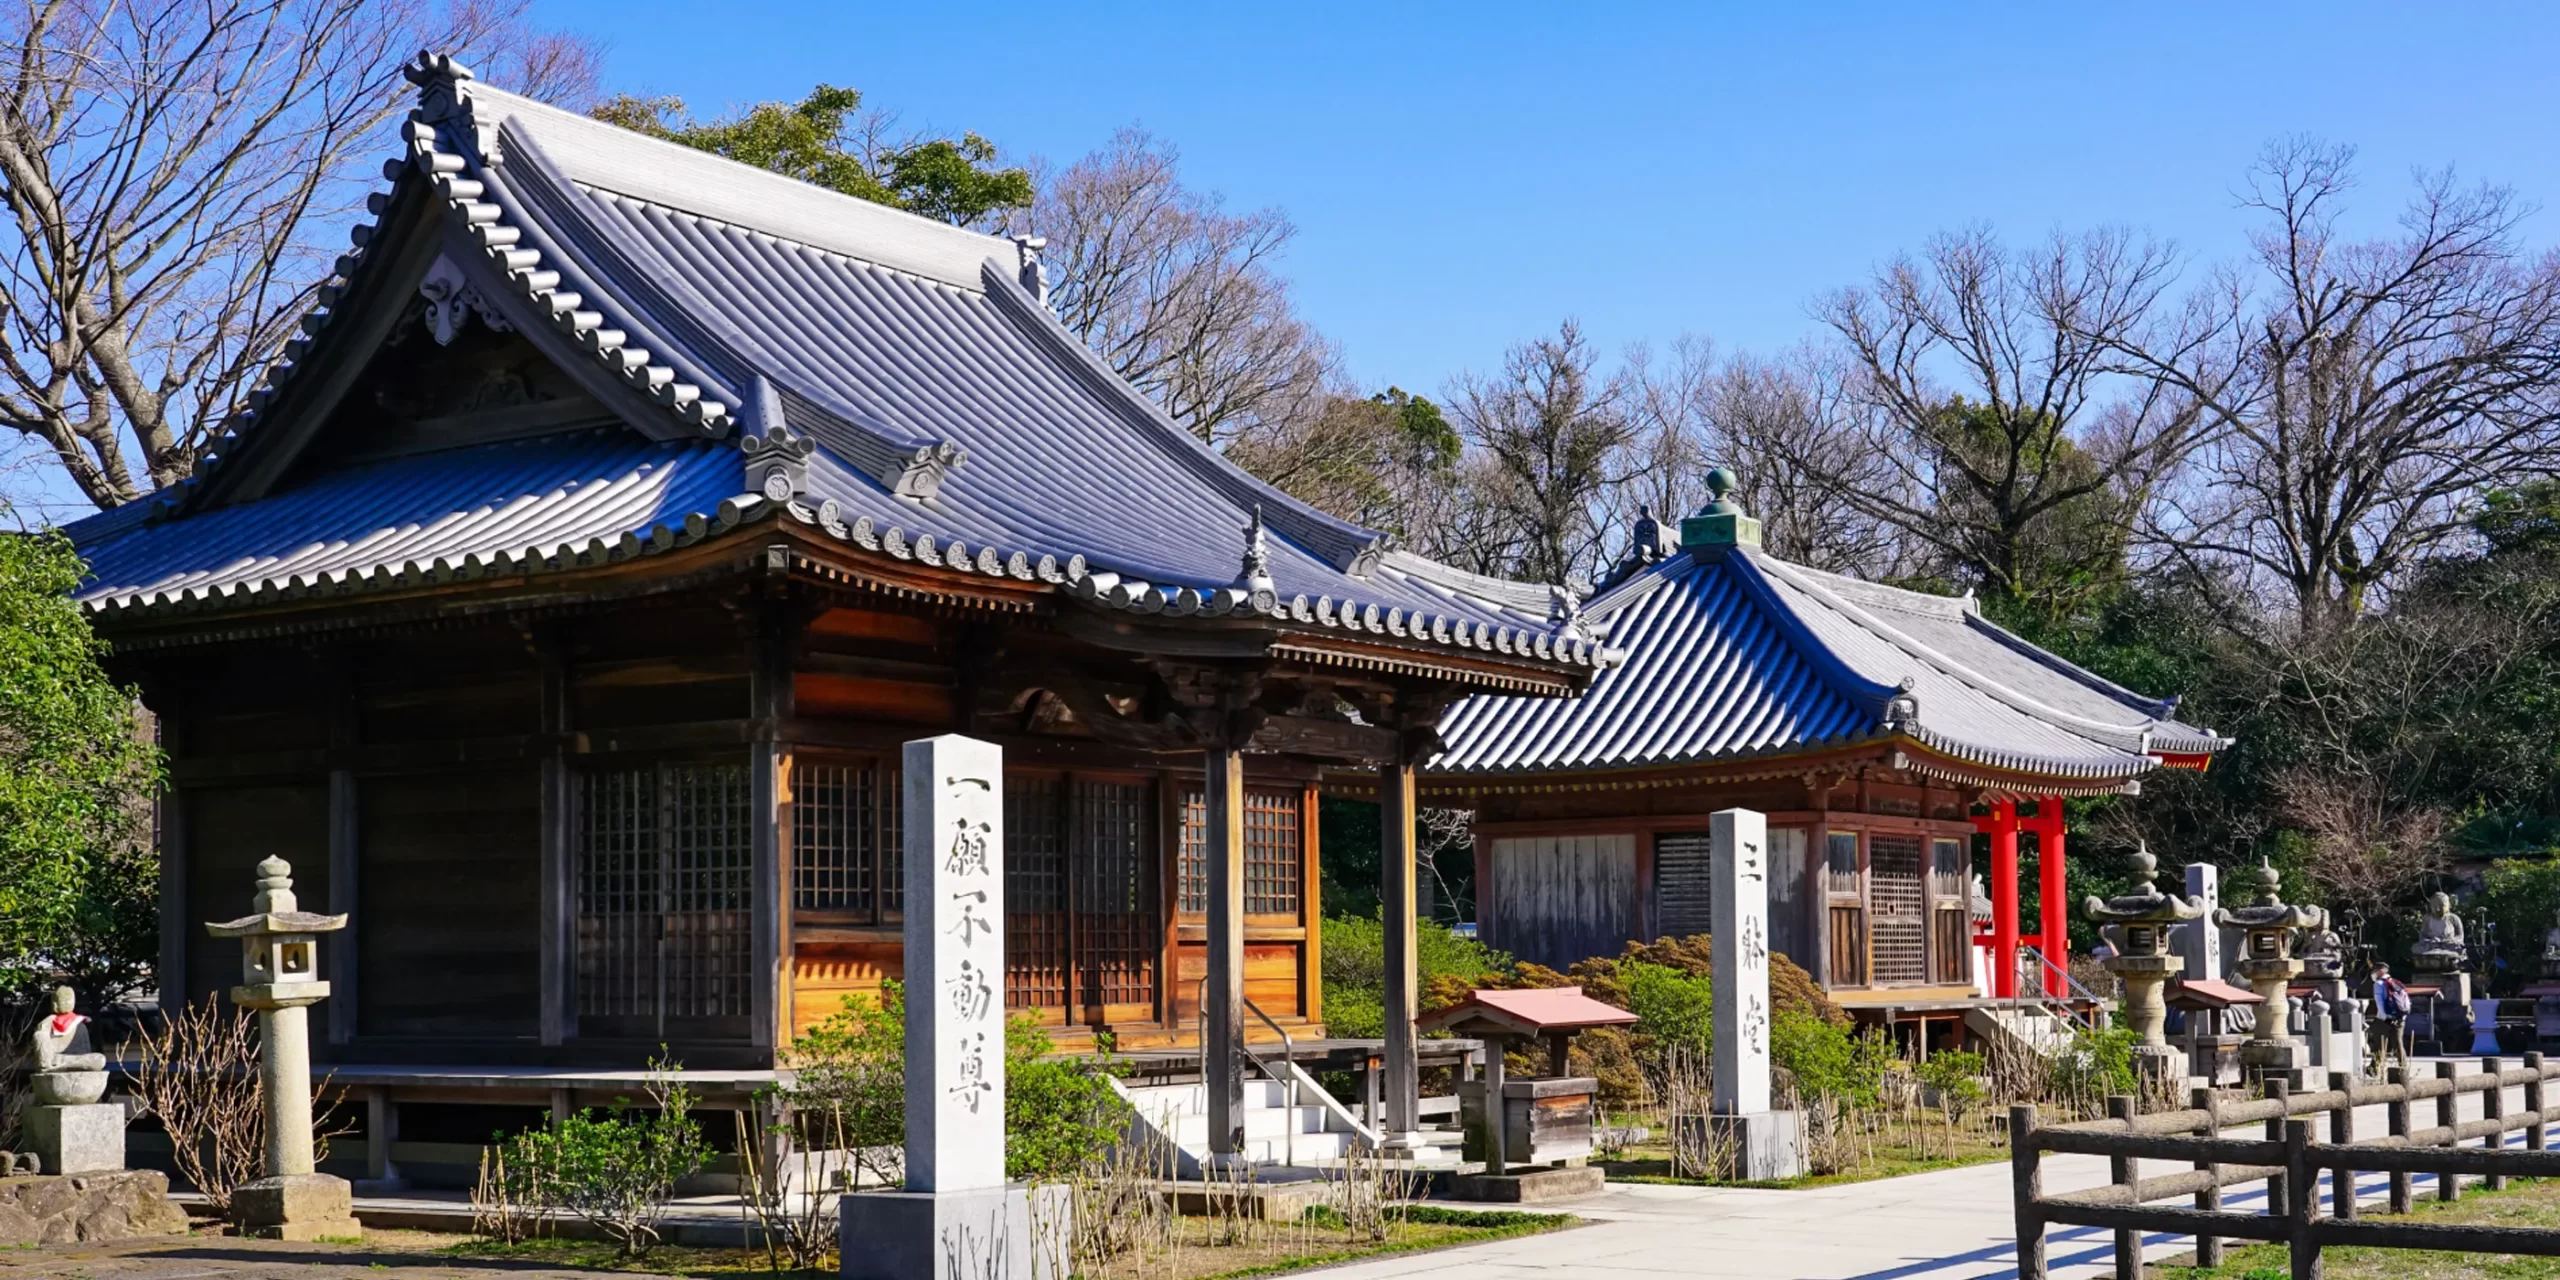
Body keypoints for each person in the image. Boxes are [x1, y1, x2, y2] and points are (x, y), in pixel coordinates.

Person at [2370, 964, 2411, 1071]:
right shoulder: (2397, 983)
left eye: (2374, 971)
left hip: (2384, 1019)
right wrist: (2403, 1016)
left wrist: (2384, 1017)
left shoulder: (2378, 984)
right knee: (2398, 1043)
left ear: (2379, 971)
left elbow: (2379, 1002)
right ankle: (2403, 1068)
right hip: (2400, 1018)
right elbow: (2406, 1001)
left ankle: (2374, 1069)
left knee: (2379, 1043)